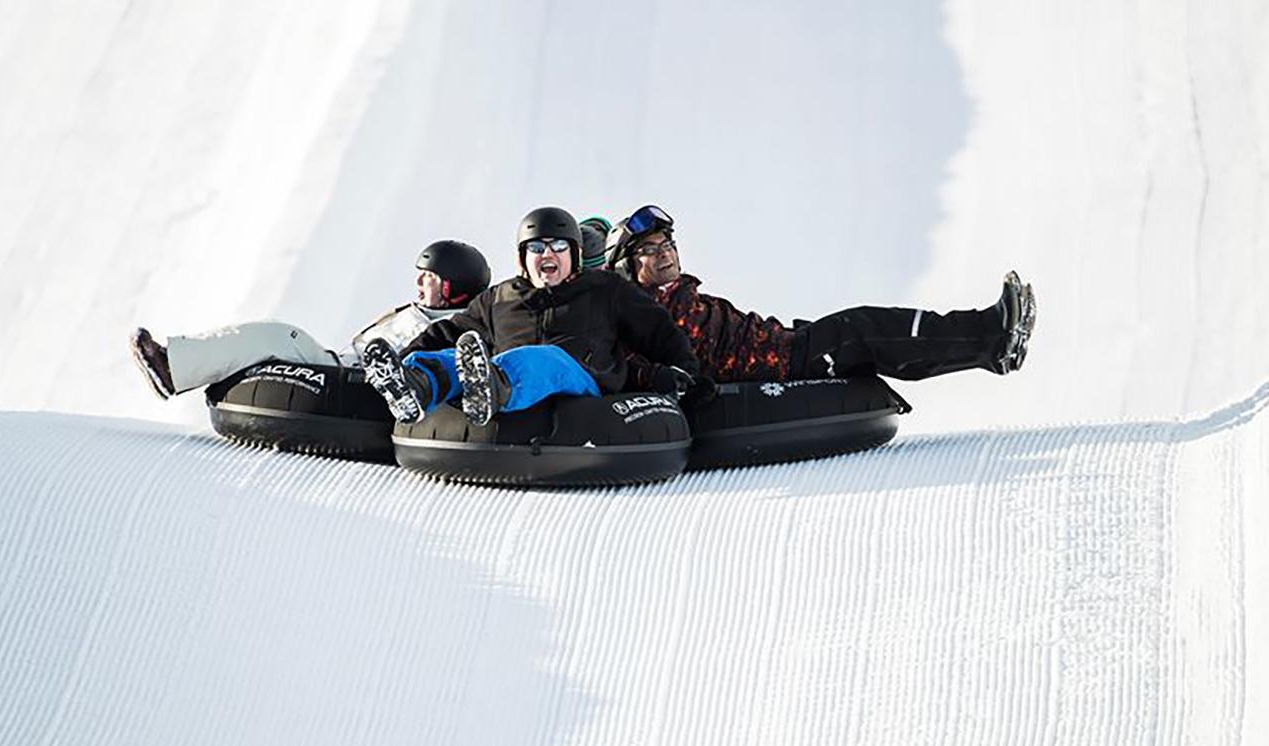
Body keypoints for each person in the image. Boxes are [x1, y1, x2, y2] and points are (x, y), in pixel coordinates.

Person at [604, 205, 1037, 388]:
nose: (665, 255)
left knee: (882, 344)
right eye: (649, 251)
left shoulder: (674, 296)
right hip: (775, 367)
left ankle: (990, 350)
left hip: (781, 344)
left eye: (668, 246)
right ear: (626, 267)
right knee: (863, 328)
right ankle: (993, 333)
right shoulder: (646, 317)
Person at [361, 206, 699, 426]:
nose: (547, 254)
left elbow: (659, 332)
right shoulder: (500, 298)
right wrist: (407, 359)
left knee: (546, 359)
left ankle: (494, 386)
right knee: (452, 355)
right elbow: (450, 331)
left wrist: (683, 373)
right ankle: (415, 386)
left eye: (558, 246)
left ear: (575, 255)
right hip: (500, 388)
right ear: (523, 258)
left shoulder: (605, 289)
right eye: (537, 248)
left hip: (580, 385)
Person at [129, 240, 491, 399]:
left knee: (277, 337)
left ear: (454, 287)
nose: (418, 282)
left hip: (356, 385)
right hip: (341, 368)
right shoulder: (412, 312)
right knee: (276, 340)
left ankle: (172, 368)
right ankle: (184, 366)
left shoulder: (453, 328)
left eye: (429, 277)